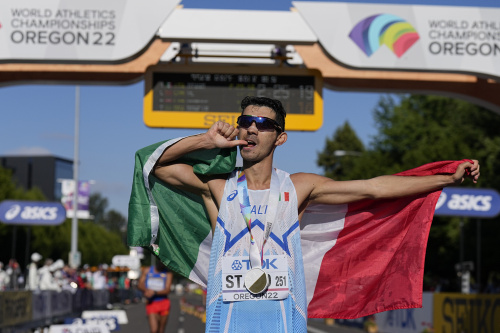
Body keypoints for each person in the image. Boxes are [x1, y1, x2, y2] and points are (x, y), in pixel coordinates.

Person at [150, 96, 480, 332]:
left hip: (285, 320)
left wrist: (445, 178)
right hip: (228, 322)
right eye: (244, 122)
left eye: (262, 124)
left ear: (280, 137)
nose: (250, 129)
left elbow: (373, 188)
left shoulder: (299, 187)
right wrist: (204, 140)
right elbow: (157, 166)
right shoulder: (218, 188)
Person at [137, 261, 174, 333]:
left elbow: (167, 290)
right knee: (154, 330)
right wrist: (146, 290)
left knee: (161, 330)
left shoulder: (168, 274)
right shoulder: (147, 270)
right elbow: (140, 284)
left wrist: (154, 292)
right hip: (151, 303)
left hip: (164, 303)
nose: (162, 263)